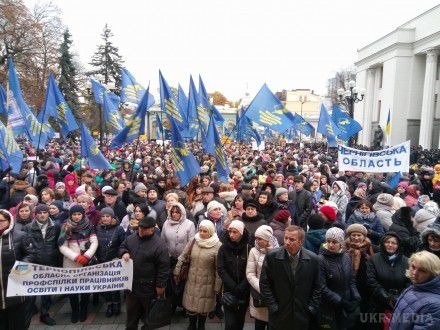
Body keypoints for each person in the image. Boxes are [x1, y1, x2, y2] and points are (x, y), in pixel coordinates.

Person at [260, 225, 321, 330]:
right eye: (286, 238)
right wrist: (273, 307)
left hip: (302, 315)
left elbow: (318, 286)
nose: (287, 242)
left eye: (292, 239)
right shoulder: (272, 256)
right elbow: (264, 284)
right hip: (279, 314)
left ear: (301, 241)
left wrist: (311, 308)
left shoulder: (313, 259)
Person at [119, 216, 169, 330]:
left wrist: (160, 286)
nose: (140, 230)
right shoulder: (131, 238)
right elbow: (122, 246)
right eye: (140, 227)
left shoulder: (159, 245)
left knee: (148, 316)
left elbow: (164, 268)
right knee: (131, 315)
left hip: (148, 288)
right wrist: (124, 252)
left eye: (144, 229)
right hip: (131, 286)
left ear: (152, 229)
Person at [174, 220, 222, 330]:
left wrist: (217, 286)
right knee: (191, 305)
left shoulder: (217, 245)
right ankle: (191, 325)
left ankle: (201, 326)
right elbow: (183, 255)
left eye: (205, 231)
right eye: (200, 230)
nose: (201, 233)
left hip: (207, 282)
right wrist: (177, 271)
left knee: (204, 307)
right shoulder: (194, 240)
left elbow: (219, 269)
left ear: (210, 232)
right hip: (192, 279)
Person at [58, 205, 98, 323]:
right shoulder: (65, 227)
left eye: (79, 214)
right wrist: (76, 257)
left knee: (85, 288)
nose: (76, 217)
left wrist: (87, 256)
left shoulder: (89, 225)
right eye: (74, 214)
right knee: (72, 289)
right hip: (71, 262)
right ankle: (75, 310)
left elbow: (94, 242)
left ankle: (84, 309)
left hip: (86, 261)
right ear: (71, 215)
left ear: (83, 214)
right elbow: (62, 246)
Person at [24, 204, 61, 326]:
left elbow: (59, 244)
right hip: (33, 264)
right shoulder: (28, 227)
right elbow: (25, 247)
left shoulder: (56, 226)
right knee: (31, 294)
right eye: (39, 213)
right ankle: (26, 317)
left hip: (50, 262)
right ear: (35, 214)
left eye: (44, 212)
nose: (42, 215)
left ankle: (44, 314)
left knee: (47, 292)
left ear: (48, 213)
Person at [319, 227, 361, 330]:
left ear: (341, 243)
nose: (331, 245)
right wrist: (340, 301)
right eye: (328, 241)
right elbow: (322, 287)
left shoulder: (346, 257)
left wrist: (356, 296)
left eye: (334, 242)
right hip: (329, 307)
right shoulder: (321, 259)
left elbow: (351, 279)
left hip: (346, 303)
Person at [366, 232, 410, 330]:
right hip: (378, 305)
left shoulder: (406, 261)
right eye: (387, 242)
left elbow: (410, 281)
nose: (390, 245)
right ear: (382, 243)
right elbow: (371, 281)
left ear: (398, 245)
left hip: (400, 303)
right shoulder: (374, 259)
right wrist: (387, 298)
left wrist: (399, 297)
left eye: (394, 243)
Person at [390, 251, 440, 329]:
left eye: (422, 270)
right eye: (413, 267)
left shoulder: (434, 306)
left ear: (433, 273)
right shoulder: (417, 286)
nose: (414, 273)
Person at [217, 220, 251, 330]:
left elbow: (250, 270)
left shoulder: (248, 248)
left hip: (243, 290)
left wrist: (242, 286)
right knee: (230, 324)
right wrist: (233, 286)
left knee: (240, 321)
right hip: (228, 290)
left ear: (241, 233)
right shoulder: (223, 248)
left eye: (235, 232)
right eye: (230, 231)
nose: (231, 235)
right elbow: (221, 269)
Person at [0, 209, 29, 329]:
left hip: (14, 285)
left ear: (9, 221)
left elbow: (30, 255)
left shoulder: (20, 235)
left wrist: (19, 269)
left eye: (1, 221)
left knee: (16, 320)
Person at [95, 207, 126, 317]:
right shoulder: (98, 228)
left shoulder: (119, 229)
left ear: (112, 217)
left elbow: (123, 244)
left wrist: (119, 256)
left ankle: (116, 304)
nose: (105, 218)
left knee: (115, 284)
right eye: (103, 216)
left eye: (107, 216)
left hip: (114, 260)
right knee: (105, 285)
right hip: (102, 261)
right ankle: (109, 304)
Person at [246, 225, 278, 330]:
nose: (257, 241)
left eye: (260, 238)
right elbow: (250, 274)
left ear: (267, 238)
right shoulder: (253, 251)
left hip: (274, 296)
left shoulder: (279, 251)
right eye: (256, 238)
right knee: (259, 325)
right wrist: (261, 288)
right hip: (259, 294)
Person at [345, 224, 375, 317]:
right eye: (353, 235)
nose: (356, 238)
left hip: (365, 282)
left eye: (359, 235)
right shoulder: (344, 247)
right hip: (348, 281)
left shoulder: (370, 247)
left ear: (364, 236)